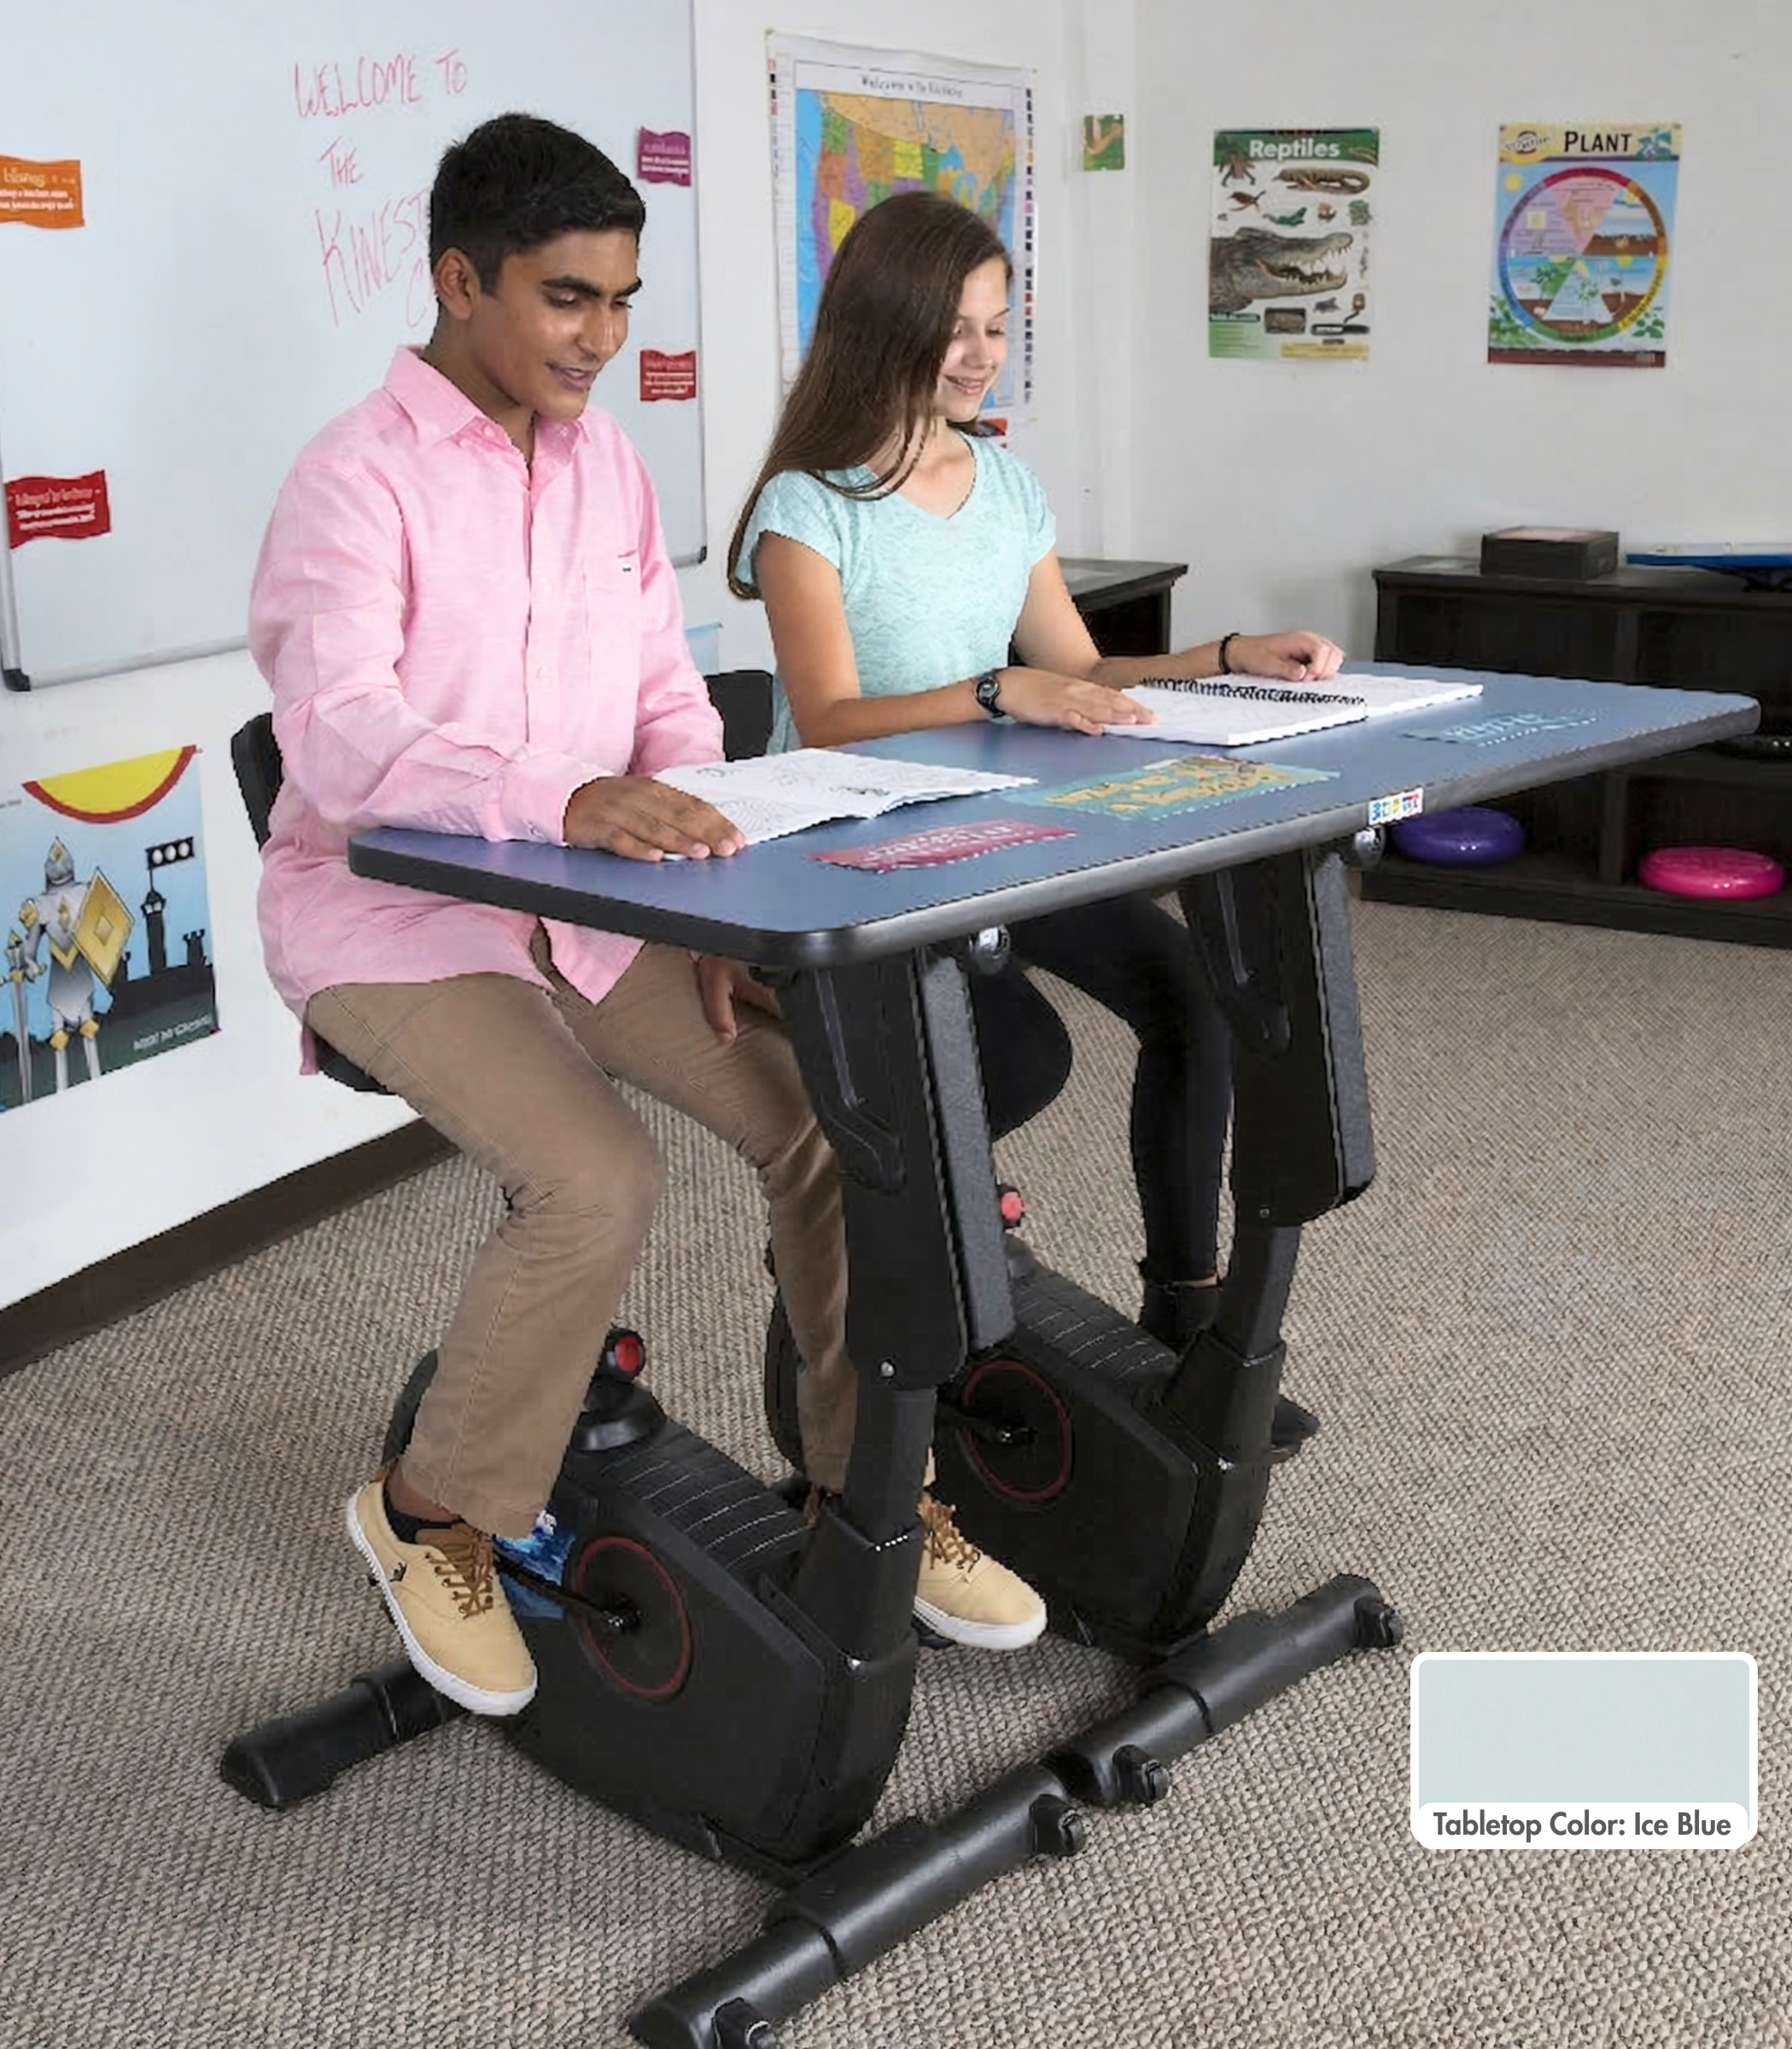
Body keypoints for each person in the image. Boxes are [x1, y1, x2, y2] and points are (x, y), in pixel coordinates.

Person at [248, 115, 1047, 1716]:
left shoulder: (605, 463)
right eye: (565, 300)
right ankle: (429, 1513)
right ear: (457, 281)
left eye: (619, 300)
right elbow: (339, 743)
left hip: (592, 901)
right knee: (594, 1179)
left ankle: (857, 1492)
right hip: (391, 919)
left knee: (830, 1120)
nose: (601, 339)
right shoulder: (352, 482)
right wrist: (559, 799)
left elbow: (667, 702)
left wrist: (715, 874)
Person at [727, 190, 1341, 1444]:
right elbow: (830, 714)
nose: (979, 354)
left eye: (996, 328)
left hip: (1001, 826)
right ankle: (855, 1280)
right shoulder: (809, 506)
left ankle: (1183, 1323)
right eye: (952, 328)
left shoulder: (1003, 486)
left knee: (1191, 1002)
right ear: (880, 326)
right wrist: (1002, 688)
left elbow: (1082, 662)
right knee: (1019, 1061)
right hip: (863, 846)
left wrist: (1231, 652)